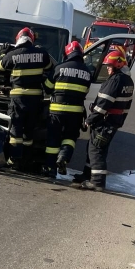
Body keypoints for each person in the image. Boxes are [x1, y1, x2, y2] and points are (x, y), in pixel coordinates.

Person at [73, 46, 135, 191]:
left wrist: (90, 120)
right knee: (94, 148)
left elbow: (103, 104)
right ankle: (87, 175)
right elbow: (127, 106)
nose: (107, 69)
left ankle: (97, 182)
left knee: (96, 151)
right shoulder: (128, 81)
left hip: (105, 122)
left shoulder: (116, 80)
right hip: (113, 121)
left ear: (118, 65)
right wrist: (119, 121)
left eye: (109, 66)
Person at [0, 27, 54, 171]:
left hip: (18, 98)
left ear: (18, 39)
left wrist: (3, 54)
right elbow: (50, 67)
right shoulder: (42, 54)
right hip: (35, 99)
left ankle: (14, 160)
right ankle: (26, 160)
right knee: (29, 131)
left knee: (16, 130)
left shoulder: (12, 55)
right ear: (32, 39)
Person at [43, 40, 92, 178]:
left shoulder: (60, 68)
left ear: (68, 53)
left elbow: (47, 87)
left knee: (53, 139)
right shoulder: (87, 72)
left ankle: (50, 169)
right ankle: (63, 156)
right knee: (70, 137)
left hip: (56, 111)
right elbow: (86, 91)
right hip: (75, 113)